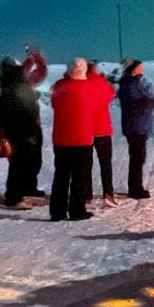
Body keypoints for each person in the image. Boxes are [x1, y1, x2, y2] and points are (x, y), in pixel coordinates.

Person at [49, 59, 96, 221]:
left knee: (60, 176)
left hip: (61, 139)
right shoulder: (89, 87)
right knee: (80, 177)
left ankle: (57, 211)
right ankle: (77, 210)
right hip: (82, 139)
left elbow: (53, 102)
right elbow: (97, 104)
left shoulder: (59, 86)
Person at [0, 56, 45, 207]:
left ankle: (28, 189)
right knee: (19, 163)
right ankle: (13, 196)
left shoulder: (10, 83)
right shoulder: (13, 82)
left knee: (30, 161)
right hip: (21, 130)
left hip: (26, 129)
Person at [116, 58, 154, 199]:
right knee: (137, 158)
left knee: (138, 158)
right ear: (134, 69)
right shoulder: (131, 84)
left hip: (136, 126)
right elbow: (138, 102)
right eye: (140, 67)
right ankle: (135, 189)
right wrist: (150, 101)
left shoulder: (131, 83)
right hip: (136, 127)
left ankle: (135, 187)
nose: (142, 69)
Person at [85, 60, 117, 204]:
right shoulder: (102, 82)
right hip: (103, 129)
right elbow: (111, 95)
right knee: (106, 164)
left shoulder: (81, 83)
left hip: (85, 130)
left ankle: (86, 195)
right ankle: (108, 194)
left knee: (86, 165)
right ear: (95, 69)